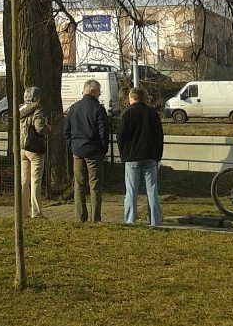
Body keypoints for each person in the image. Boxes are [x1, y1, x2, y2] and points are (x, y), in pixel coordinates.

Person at [117, 86, 164, 227]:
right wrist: (158, 156)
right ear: (144, 98)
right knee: (152, 190)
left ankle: (130, 220)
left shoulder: (127, 113)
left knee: (131, 191)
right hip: (150, 156)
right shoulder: (153, 113)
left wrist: (123, 155)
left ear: (132, 98)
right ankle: (155, 220)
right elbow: (159, 136)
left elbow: (121, 136)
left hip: (132, 157)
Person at [64, 78, 109, 222]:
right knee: (95, 185)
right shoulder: (98, 109)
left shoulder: (74, 108)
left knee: (79, 184)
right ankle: (95, 218)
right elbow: (103, 132)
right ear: (93, 91)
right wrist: (103, 149)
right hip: (94, 151)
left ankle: (80, 216)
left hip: (77, 151)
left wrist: (72, 146)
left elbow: (66, 131)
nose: (100, 94)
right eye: (99, 92)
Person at [19, 85, 49, 219]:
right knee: (35, 181)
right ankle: (36, 212)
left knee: (24, 181)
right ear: (37, 98)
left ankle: (22, 210)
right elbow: (39, 129)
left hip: (22, 149)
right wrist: (48, 127)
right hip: (35, 149)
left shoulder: (21, 109)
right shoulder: (38, 110)